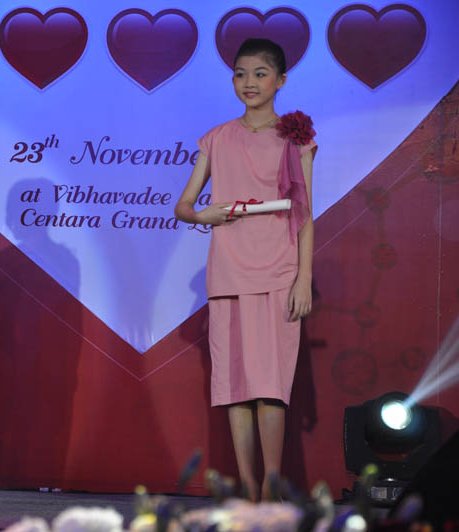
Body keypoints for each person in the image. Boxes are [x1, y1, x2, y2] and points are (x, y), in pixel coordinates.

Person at [174, 38, 316, 501]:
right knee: (235, 385)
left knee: (270, 385)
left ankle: (271, 485)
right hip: (229, 272)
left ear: (280, 80)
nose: (248, 82)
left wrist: (303, 279)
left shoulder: (295, 138)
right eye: (240, 73)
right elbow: (183, 205)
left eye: (259, 73)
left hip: (277, 271)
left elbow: (304, 214)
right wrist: (204, 214)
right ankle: (249, 488)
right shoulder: (217, 138)